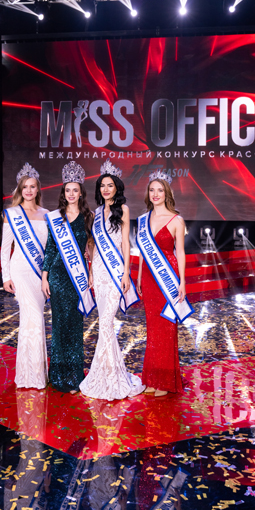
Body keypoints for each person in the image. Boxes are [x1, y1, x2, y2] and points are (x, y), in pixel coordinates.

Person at [80, 159, 145, 401]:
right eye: (102, 186)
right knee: (103, 323)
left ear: (117, 187)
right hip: (98, 270)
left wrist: (126, 272)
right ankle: (107, 374)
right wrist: (90, 272)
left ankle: (110, 376)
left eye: (110, 185)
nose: (106, 189)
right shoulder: (96, 214)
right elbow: (93, 246)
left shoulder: (124, 210)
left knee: (107, 322)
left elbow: (126, 243)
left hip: (116, 270)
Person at [136, 171, 193, 397]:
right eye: (152, 190)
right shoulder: (144, 219)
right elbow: (142, 251)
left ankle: (166, 381)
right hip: (149, 279)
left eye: (160, 190)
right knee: (152, 330)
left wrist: (182, 282)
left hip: (167, 278)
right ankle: (152, 379)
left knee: (167, 327)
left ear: (167, 193)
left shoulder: (176, 220)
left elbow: (181, 252)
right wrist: (139, 276)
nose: (155, 194)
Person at [42, 161, 94, 393]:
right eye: (67, 190)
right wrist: (44, 277)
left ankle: (74, 377)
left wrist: (91, 272)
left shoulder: (88, 216)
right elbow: (50, 249)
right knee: (59, 326)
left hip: (77, 277)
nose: (71, 194)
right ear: (63, 193)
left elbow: (91, 246)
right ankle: (58, 377)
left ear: (81, 192)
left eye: (75, 190)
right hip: (57, 276)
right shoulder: (55, 217)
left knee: (75, 325)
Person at [1, 162, 49, 389]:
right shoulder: (12, 214)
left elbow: (50, 249)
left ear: (38, 189)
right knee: (33, 318)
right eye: (25, 187)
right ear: (20, 190)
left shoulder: (47, 214)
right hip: (20, 271)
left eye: (32, 186)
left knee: (34, 320)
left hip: (40, 274)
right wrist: (5, 277)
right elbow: (5, 249)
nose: (28, 190)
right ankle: (29, 375)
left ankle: (35, 373)